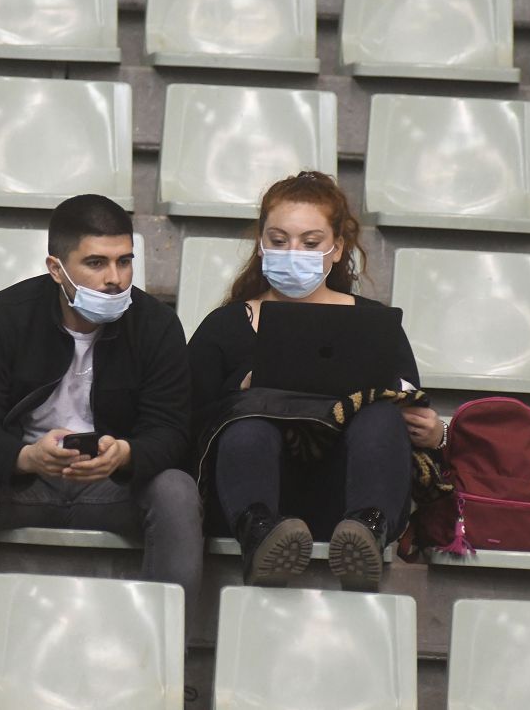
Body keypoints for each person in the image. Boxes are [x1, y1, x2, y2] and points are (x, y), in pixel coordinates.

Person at [0, 194, 203, 709]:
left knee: (177, 490)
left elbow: (172, 431)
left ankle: (165, 669)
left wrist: (126, 454)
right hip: (27, 481)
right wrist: (25, 457)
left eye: (125, 261)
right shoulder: (3, 316)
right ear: (57, 268)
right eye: (96, 263)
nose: (115, 278)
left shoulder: (156, 325)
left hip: (114, 486)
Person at [187, 171, 445, 591]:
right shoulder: (225, 326)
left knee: (380, 417)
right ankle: (262, 535)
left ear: (337, 248)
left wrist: (434, 432)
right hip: (249, 491)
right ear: (260, 243)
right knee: (249, 423)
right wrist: (237, 398)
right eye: (278, 240)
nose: (293, 253)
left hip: (344, 493)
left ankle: (366, 531)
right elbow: (185, 422)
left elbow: (406, 404)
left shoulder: (374, 325)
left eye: (309, 243)